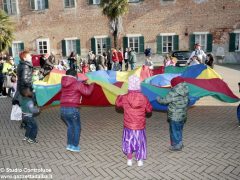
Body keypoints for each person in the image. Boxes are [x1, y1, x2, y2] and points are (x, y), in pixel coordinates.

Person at [116, 75, 152, 166]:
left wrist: (119, 96)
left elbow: (118, 104)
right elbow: (149, 110)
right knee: (140, 141)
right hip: (140, 126)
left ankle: (129, 160)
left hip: (128, 125)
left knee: (128, 141)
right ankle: (139, 160)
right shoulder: (144, 97)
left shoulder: (125, 97)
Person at [60, 69, 94, 152]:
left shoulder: (63, 83)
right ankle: (74, 146)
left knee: (70, 126)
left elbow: (72, 87)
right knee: (77, 127)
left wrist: (82, 83)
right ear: (75, 76)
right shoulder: (77, 83)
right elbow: (87, 92)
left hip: (63, 109)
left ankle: (69, 144)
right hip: (72, 109)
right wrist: (92, 85)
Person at [157, 77, 189, 151]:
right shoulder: (186, 90)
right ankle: (180, 143)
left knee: (174, 131)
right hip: (182, 115)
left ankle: (176, 145)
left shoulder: (173, 92)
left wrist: (158, 98)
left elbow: (164, 101)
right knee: (179, 130)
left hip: (174, 116)